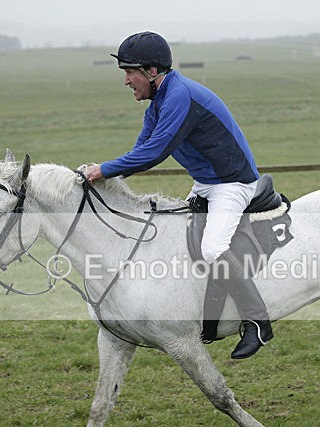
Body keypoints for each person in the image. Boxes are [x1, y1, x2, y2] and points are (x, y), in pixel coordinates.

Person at [83, 31, 273, 359]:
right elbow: (140, 149)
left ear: (152, 72)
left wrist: (103, 170)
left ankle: (258, 322)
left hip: (232, 184)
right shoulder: (158, 104)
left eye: (130, 73)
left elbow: (154, 152)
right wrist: (102, 177)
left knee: (213, 249)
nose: (126, 81)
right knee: (177, 242)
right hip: (206, 183)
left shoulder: (179, 97)